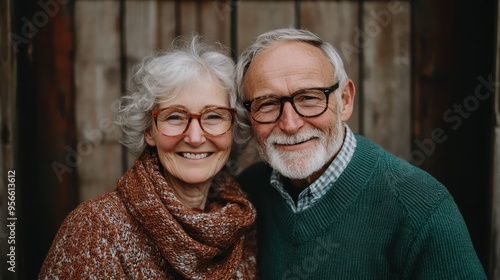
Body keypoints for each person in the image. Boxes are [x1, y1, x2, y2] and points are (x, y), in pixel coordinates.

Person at [235, 27, 487, 279]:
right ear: (249, 116)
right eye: (267, 104)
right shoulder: (248, 193)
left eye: (309, 98)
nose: (290, 124)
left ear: (344, 100)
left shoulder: (421, 207)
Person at [39, 35, 257, 279]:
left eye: (214, 116)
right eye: (174, 117)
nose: (195, 138)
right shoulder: (95, 228)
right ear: (148, 131)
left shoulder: (241, 224)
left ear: (233, 127)